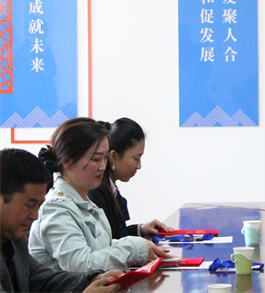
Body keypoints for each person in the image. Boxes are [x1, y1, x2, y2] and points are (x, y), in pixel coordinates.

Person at [28, 118, 169, 272]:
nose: (102, 166)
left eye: (104, 158)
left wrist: (139, 245)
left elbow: (102, 247)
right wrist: (132, 248)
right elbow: (81, 265)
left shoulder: (84, 202)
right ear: (68, 161)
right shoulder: (56, 209)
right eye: (96, 159)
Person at [0, 148, 122, 292]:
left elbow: (44, 279)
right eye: (30, 205)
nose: (35, 215)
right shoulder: (56, 210)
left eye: (39, 205)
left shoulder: (16, 241)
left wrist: (92, 279)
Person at [89, 118, 169, 240]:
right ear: (113, 156)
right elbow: (108, 243)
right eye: (136, 158)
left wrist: (141, 229)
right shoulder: (96, 192)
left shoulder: (110, 188)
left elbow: (117, 235)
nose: (139, 166)